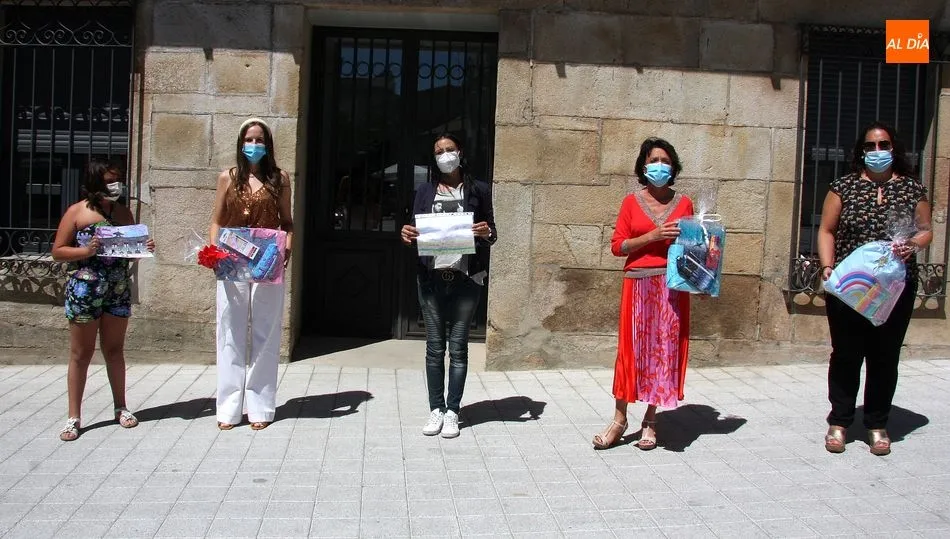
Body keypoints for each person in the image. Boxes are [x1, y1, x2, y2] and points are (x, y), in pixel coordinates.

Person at [817, 121, 932, 456]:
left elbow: (926, 229)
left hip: (894, 289)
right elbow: (826, 230)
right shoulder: (843, 187)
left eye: (884, 145)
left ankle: (877, 424)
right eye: (870, 146)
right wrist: (827, 266)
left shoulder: (912, 189)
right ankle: (839, 421)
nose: (877, 151)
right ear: (861, 151)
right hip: (850, 287)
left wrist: (913, 244)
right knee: (845, 354)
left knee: (885, 355)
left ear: (894, 149)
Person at [593, 137, 693, 450]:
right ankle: (619, 418)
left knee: (663, 351)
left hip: (671, 287)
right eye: (653, 161)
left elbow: (694, 249)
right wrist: (652, 236)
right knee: (631, 351)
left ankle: (651, 419)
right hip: (637, 283)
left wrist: (703, 278)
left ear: (673, 167)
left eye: (665, 161)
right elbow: (617, 246)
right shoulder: (630, 203)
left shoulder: (685, 204)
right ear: (643, 166)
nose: (659, 166)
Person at [400, 134, 497, 439]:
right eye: (439, 151)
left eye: (449, 149)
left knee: (458, 348)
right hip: (431, 279)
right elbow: (413, 229)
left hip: (466, 280)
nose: (445, 155)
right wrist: (406, 234)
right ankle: (436, 409)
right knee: (434, 348)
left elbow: (492, 234)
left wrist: (485, 232)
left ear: (460, 152)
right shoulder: (425, 190)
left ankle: (453, 411)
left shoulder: (479, 189)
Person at [51, 158, 155, 441]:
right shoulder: (77, 212)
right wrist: (85, 251)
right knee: (81, 353)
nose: (115, 185)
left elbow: (129, 253)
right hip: (85, 290)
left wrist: (142, 248)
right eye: (109, 181)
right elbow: (58, 251)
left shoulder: (123, 212)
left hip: (117, 290)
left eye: (118, 179)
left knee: (115, 350)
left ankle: (121, 407)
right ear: (96, 182)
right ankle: (74, 416)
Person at [209, 118, 294, 431]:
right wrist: (212, 251)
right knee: (230, 331)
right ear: (240, 143)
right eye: (249, 139)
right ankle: (229, 407)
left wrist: (287, 248)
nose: (254, 145)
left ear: (268, 144)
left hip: (267, 260)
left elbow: (287, 221)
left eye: (259, 140)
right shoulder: (228, 178)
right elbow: (217, 220)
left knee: (265, 331)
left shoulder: (279, 179)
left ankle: (260, 406)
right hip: (232, 260)